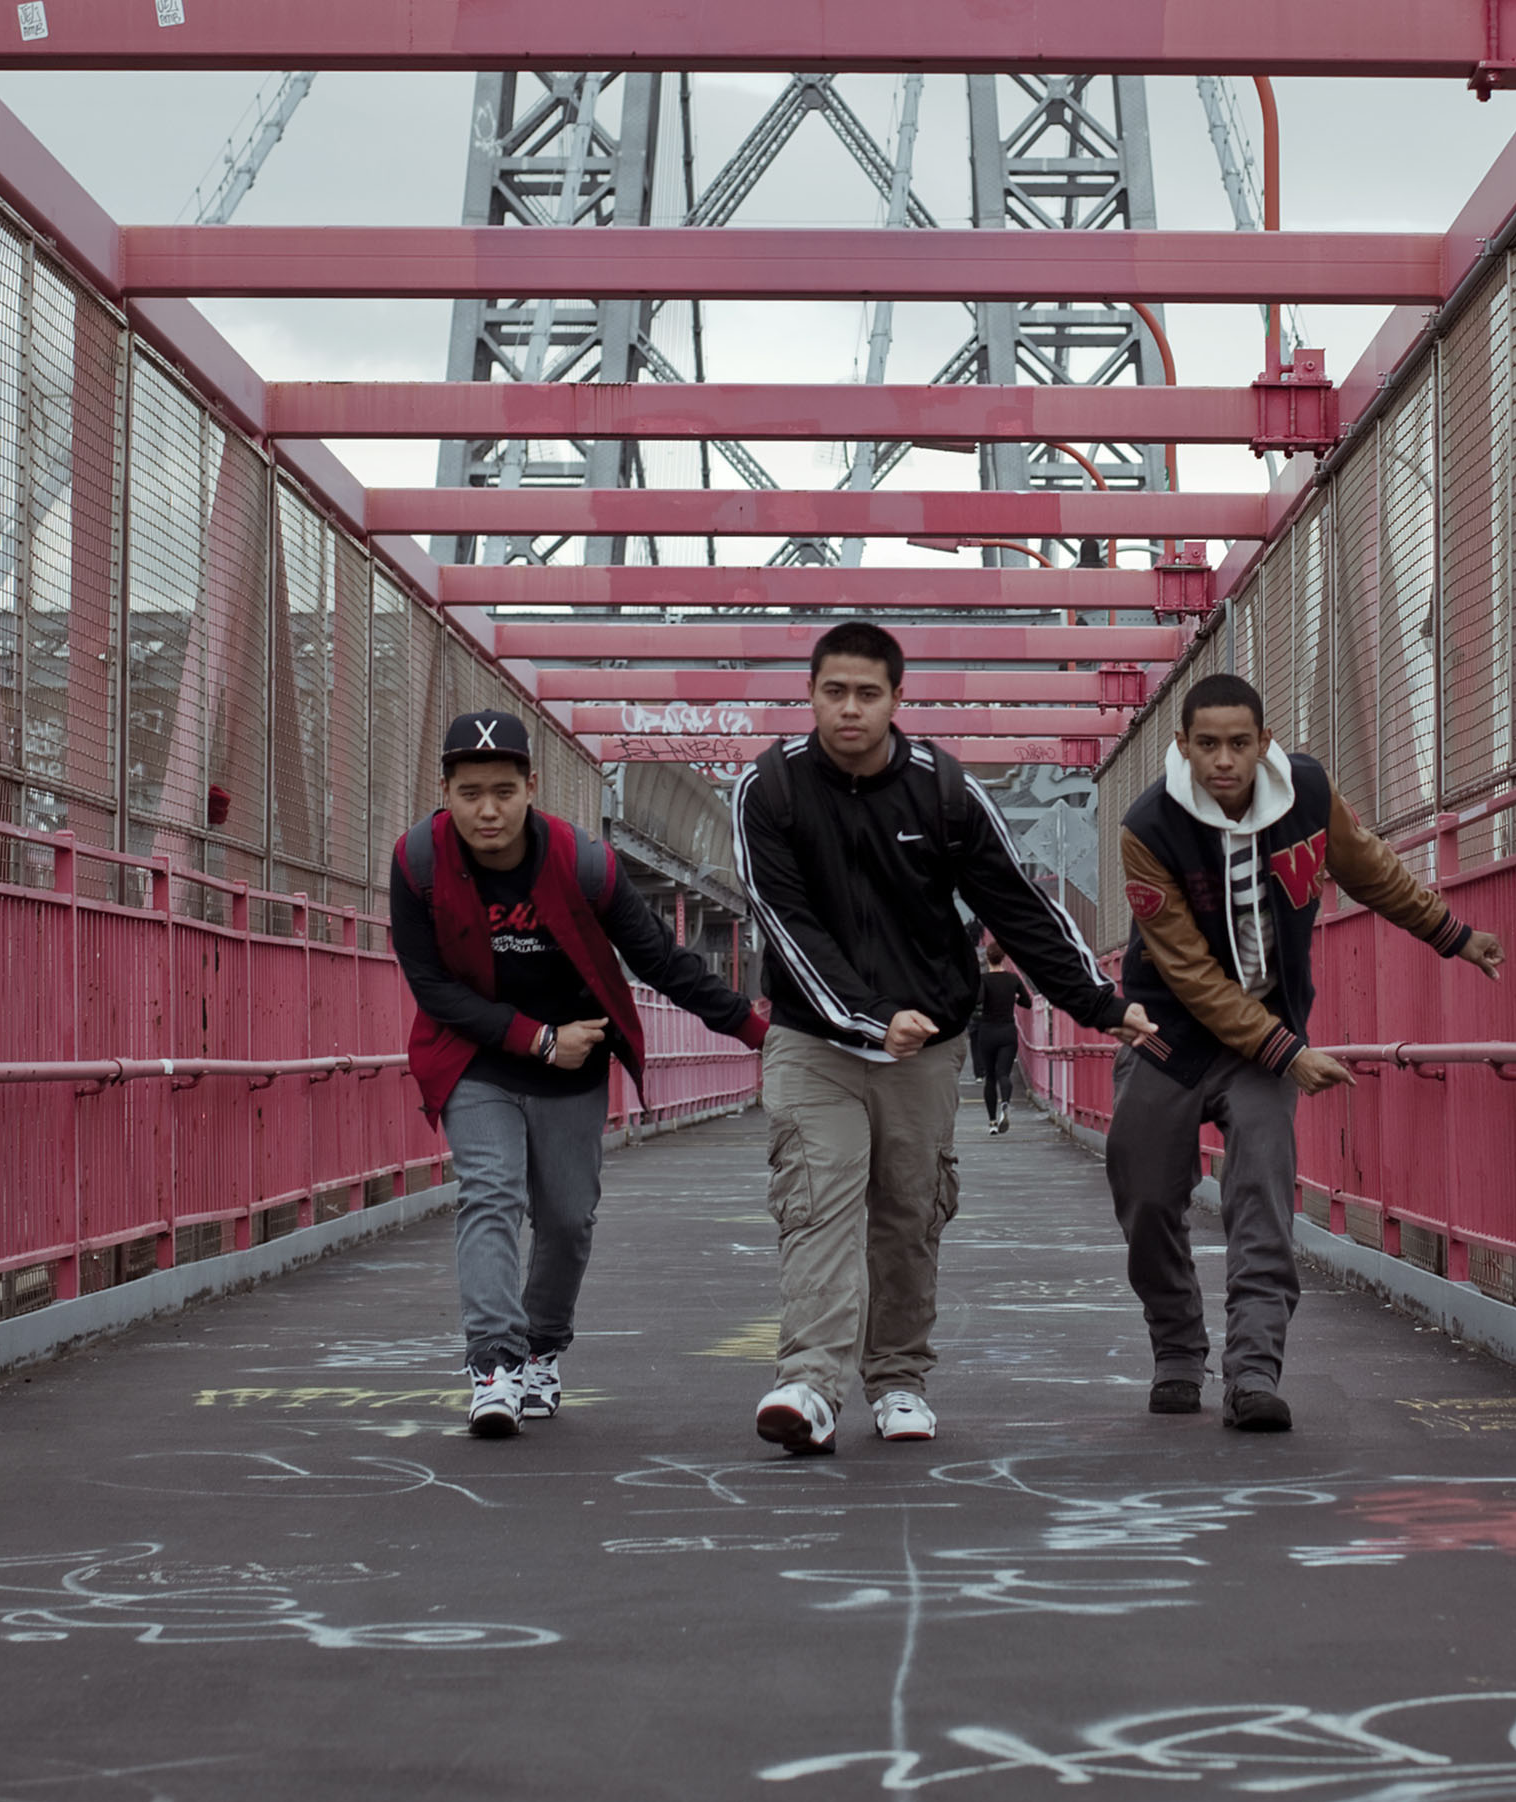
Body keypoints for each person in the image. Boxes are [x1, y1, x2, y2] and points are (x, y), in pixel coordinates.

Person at [732, 620, 1146, 1453]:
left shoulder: (945, 791)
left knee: (909, 1211)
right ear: (809, 694)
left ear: (897, 698)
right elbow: (784, 923)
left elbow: (1016, 906)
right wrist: (864, 1015)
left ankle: (897, 1379)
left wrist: (1100, 1002)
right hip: (815, 1042)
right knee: (818, 1204)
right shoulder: (768, 790)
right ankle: (809, 1384)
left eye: (867, 693)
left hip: (923, 1046)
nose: (849, 709)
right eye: (833, 692)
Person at [1108, 671, 1505, 1434]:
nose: (1224, 760)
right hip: (1167, 1035)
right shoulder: (1147, 826)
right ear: (1182, 746)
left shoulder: (1307, 794)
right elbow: (1188, 973)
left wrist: (1451, 934)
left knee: (1260, 1198)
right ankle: (1178, 1350)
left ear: (1264, 742)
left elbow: (1369, 867)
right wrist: (1289, 1051)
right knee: (1147, 1198)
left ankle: (1253, 1373)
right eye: (1207, 744)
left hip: (1264, 1041)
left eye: (1239, 742)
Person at [390, 707, 767, 1437]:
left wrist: (758, 1033)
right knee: (490, 1194)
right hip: (477, 1057)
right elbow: (431, 987)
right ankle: (493, 1364)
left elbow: (662, 961)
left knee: (567, 1219)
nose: (488, 810)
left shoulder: (582, 862)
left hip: (573, 1065)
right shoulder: (418, 863)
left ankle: (541, 1348)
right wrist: (536, 1040)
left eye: (504, 791)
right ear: (445, 792)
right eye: (470, 793)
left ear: (532, 787)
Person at [970, 932, 1031, 1133]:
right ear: (1003, 958)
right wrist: (1015, 998)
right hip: (1007, 1032)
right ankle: (1005, 1102)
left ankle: (992, 1123)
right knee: (1004, 1073)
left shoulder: (984, 979)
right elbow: (1028, 1003)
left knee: (990, 1077)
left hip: (987, 1032)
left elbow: (978, 1000)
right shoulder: (1013, 979)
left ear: (988, 958)